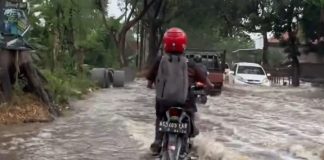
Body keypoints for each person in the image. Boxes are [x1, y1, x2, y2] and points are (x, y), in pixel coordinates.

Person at [146, 27, 214, 154]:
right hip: (185, 101)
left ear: (165, 43)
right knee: (191, 113)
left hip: (164, 101)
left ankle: (157, 140)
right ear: (184, 44)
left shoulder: (160, 61)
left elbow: (150, 80)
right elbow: (206, 81)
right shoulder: (190, 63)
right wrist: (210, 86)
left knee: (160, 117)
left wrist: (151, 84)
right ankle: (190, 135)